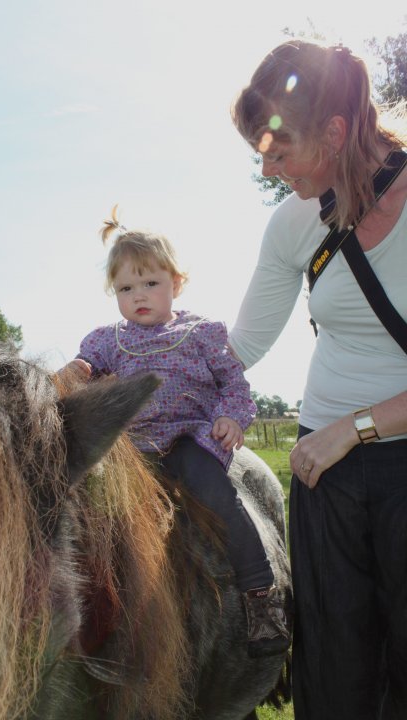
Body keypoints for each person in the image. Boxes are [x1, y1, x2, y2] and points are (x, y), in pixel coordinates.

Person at [228, 38, 407, 719]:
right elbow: (242, 346)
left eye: (279, 152)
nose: (268, 169)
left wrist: (354, 429)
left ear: (334, 132)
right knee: (334, 667)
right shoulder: (295, 222)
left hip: (375, 453)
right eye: (260, 154)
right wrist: (130, 362)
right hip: (323, 471)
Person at [69, 207, 291, 658]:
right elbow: (85, 368)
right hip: (130, 447)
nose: (139, 296)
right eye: (126, 289)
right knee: (88, 510)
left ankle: (260, 594)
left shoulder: (201, 333)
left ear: (177, 282)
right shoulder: (109, 340)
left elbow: (233, 384)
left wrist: (231, 417)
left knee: (217, 496)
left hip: (188, 439)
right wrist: (74, 371)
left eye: (150, 283)